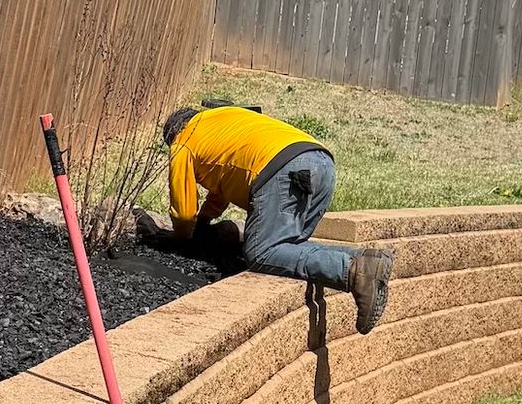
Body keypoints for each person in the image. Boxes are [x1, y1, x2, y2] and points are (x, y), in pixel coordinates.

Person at [136, 104, 395, 332]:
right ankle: (363, 258)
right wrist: (204, 221)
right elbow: (221, 185)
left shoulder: (183, 141)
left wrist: (183, 238)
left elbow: (182, 211)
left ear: (171, 135)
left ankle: (351, 271)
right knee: (288, 246)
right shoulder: (219, 120)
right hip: (321, 162)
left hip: (282, 169)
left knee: (263, 253)